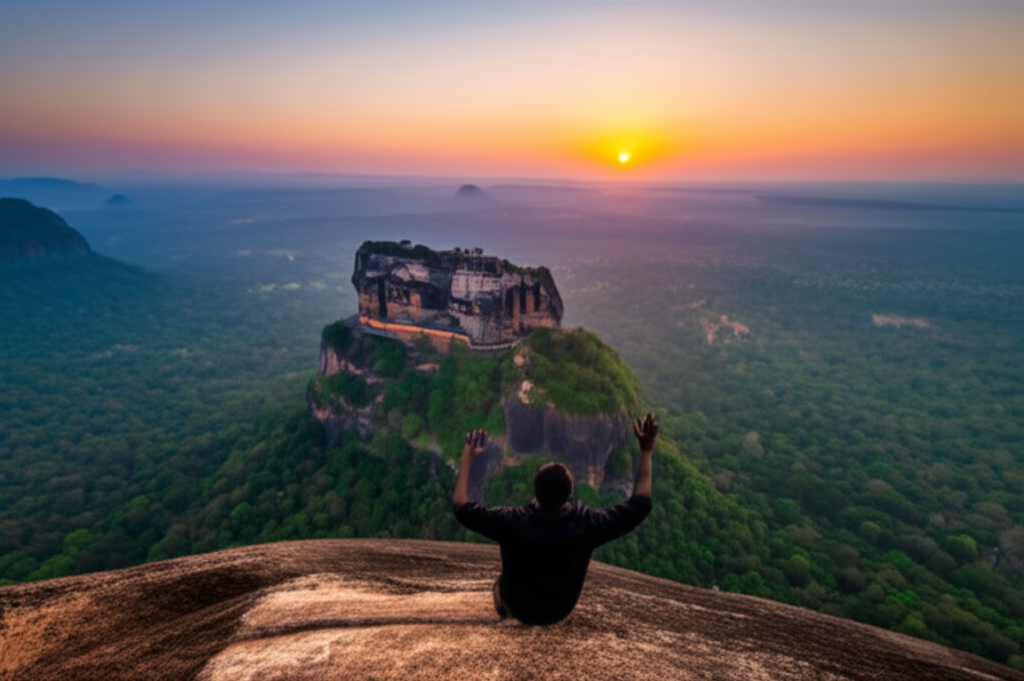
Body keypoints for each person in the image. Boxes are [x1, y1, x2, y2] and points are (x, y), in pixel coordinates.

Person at [453, 413, 658, 625]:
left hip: (519, 608)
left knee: (498, 586)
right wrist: (646, 450)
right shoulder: (586, 525)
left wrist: (467, 457)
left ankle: (508, 616)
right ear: (569, 494)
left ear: (535, 491)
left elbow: (462, 509)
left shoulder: (512, 522)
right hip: (560, 610)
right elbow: (639, 505)